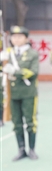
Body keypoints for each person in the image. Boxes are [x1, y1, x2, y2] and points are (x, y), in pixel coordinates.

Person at [1, 26, 39, 161]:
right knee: (16, 123)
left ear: (26, 38)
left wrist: (15, 71)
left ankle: (32, 149)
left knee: (30, 122)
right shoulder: (7, 53)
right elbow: (3, 70)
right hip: (13, 94)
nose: (16, 39)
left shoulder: (32, 53)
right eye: (13, 36)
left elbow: (33, 72)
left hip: (28, 93)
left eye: (19, 36)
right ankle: (21, 149)